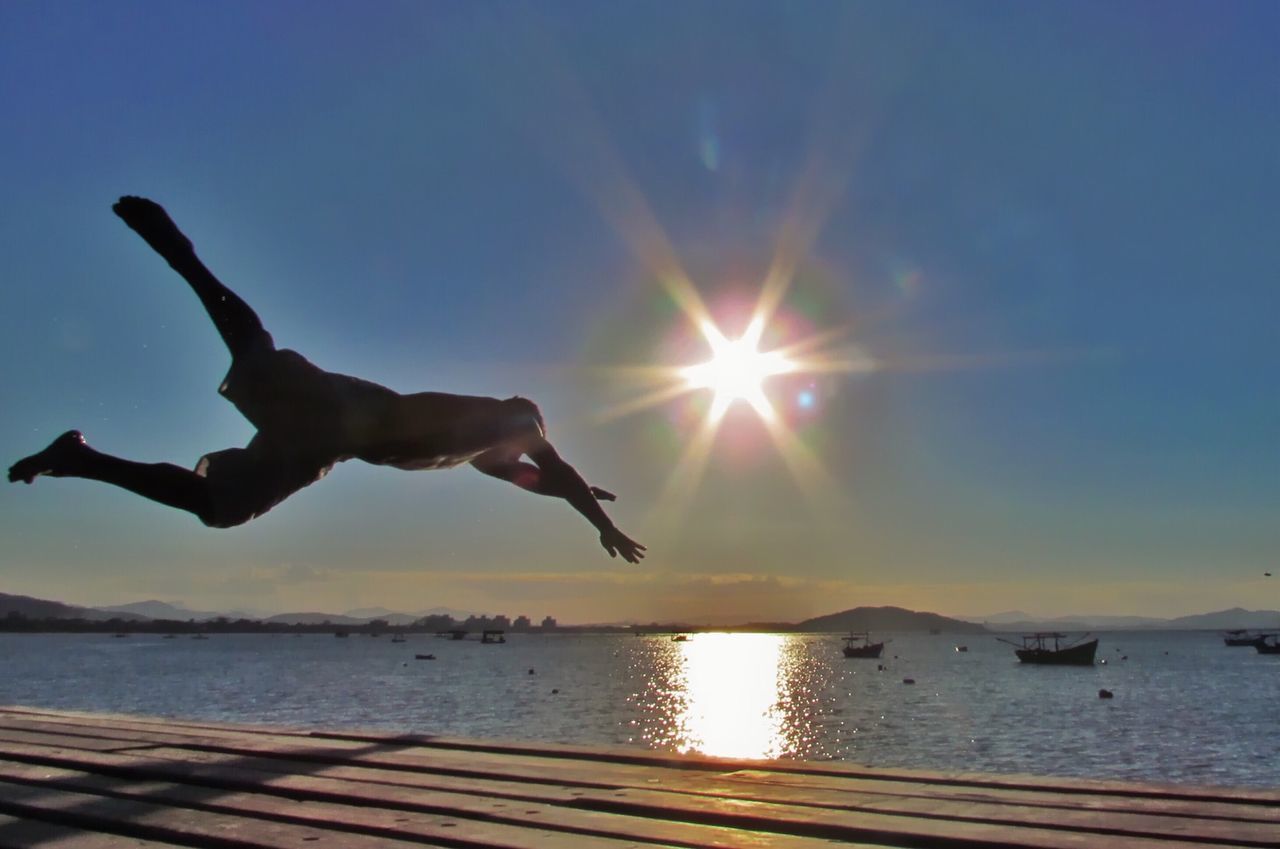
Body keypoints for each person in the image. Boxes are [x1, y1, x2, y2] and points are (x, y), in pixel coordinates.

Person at [9, 197, 645, 564]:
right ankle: (182, 255)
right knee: (257, 353)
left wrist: (582, 496)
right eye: (534, 436)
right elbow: (550, 467)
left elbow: (541, 480)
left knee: (219, 507)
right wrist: (596, 518)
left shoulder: (483, 455)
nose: (529, 444)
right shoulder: (516, 419)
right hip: (349, 412)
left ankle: (80, 460)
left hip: (326, 447)